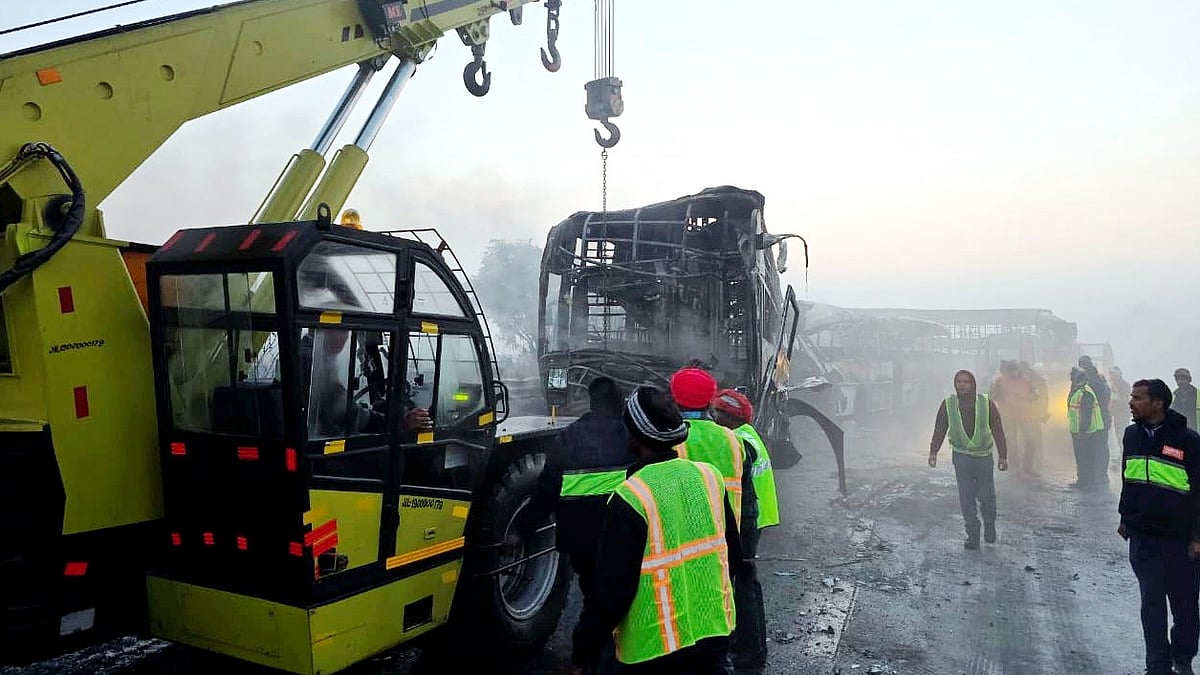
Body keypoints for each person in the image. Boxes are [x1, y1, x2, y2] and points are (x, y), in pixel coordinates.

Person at [570, 386, 746, 675]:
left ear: (635, 437)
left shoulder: (631, 496)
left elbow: (610, 594)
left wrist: (581, 651)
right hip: (714, 637)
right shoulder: (709, 477)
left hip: (653, 653)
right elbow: (734, 558)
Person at [528, 377, 632, 674]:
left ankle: (585, 659)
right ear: (619, 402)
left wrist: (521, 530)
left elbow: (546, 489)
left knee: (592, 597)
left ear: (591, 402)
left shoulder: (569, 436)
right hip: (619, 538)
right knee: (612, 599)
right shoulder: (630, 437)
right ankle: (603, 657)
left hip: (579, 541)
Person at [1118, 378, 1200, 675]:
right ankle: (1157, 666)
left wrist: (1196, 536)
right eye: (1132, 397)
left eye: (1138, 398)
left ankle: (1182, 657)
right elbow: (1130, 477)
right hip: (1143, 538)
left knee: (1185, 608)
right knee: (1151, 604)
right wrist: (1124, 517)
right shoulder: (1130, 435)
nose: (1131, 402)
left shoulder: (1189, 441)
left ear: (1158, 403)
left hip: (1180, 542)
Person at [711, 388, 778, 674]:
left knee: (741, 587)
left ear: (729, 418)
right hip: (754, 519)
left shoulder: (738, 442)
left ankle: (748, 653)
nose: (714, 418)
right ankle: (755, 647)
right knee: (749, 584)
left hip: (745, 522)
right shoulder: (749, 433)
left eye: (718, 414)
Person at [929, 369, 1009, 550]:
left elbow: (998, 430)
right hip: (961, 457)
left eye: (966, 381)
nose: (962, 385)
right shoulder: (948, 404)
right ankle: (972, 534)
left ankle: (989, 525)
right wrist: (933, 451)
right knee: (966, 497)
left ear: (973, 384)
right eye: (958, 381)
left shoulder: (986, 403)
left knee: (986, 496)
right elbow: (940, 428)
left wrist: (1003, 456)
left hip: (983, 458)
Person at [990, 360, 1038, 477]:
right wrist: (1003, 399)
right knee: (1011, 443)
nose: (1013, 374)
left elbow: (1035, 395)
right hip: (1007, 416)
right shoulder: (999, 381)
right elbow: (992, 395)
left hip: (1025, 415)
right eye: (1011, 371)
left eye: (1015, 371)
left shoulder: (1026, 381)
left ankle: (1028, 467)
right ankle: (1015, 468)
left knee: (1030, 440)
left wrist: (1027, 397)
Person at [1067, 367, 1105, 490]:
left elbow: (1086, 415)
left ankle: (1086, 482)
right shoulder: (1080, 390)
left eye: (1073, 378)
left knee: (1085, 457)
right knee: (1083, 457)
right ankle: (1085, 480)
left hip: (1086, 432)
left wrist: (1082, 432)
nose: (1072, 380)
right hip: (1082, 431)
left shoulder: (1084, 392)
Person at [1080, 355, 1114, 478]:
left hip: (1096, 419)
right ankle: (1101, 476)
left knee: (1093, 448)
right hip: (1103, 417)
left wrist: (1083, 425)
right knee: (1101, 448)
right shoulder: (1100, 379)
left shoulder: (1089, 382)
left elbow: (1088, 404)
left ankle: (1095, 477)